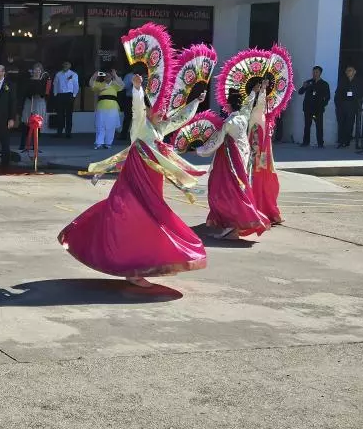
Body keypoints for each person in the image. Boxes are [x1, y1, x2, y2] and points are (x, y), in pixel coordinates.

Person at [57, 74, 207, 287]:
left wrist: (195, 103)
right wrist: (137, 89)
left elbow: (180, 119)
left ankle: (139, 265)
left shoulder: (160, 129)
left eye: (164, 111)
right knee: (127, 219)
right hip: (134, 181)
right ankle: (128, 266)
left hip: (152, 183)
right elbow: (138, 109)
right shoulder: (140, 125)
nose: (163, 114)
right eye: (159, 110)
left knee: (150, 222)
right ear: (150, 110)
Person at [196, 86, 270, 239]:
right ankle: (234, 224)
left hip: (230, 162)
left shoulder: (229, 122)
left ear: (228, 105)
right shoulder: (243, 117)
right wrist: (253, 93)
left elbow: (216, 142)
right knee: (239, 189)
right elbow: (248, 106)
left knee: (223, 191)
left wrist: (199, 150)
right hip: (242, 156)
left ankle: (231, 224)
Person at [249, 78, 284, 226]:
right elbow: (257, 107)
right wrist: (259, 91)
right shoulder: (250, 103)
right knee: (256, 175)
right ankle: (255, 209)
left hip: (264, 147)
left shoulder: (269, 104)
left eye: (265, 84)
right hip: (256, 144)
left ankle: (266, 209)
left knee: (266, 176)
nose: (264, 86)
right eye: (260, 84)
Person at [89, 69, 123, 150]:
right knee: (100, 125)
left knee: (110, 126)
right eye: (105, 75)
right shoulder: (100, 84)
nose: (107, 76)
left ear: (111, 77)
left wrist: (115, 75)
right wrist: (94, 75)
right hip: (101, 107)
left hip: (113, 107)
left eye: (109, 75)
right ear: (103, 77)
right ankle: (99, 142)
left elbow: (122, 85)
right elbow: (91, 84)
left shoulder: (115, 85)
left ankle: (108, 143)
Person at [298, 66, 330, 148]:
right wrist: (304, 86)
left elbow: (327, 97)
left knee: (319, 126)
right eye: (313, 72)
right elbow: (300, 92)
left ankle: (320, 143)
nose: (314, 74)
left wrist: (322, 105)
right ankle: (305, 142)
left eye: (316, 72)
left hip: (318, 109)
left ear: (320, 73)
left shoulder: (324, 84)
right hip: (308, 108)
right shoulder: (308, 82)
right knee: (307, 126)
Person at [20, 63, 50, 150]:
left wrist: (43, 93)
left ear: (41, 71)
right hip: (30, 102)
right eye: (35, 70)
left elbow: (47, 92)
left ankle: (35, 146)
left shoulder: (44, 81)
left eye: (39, 70)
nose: (37, 71)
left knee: (37, 123)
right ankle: (23, 144)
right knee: (26, 122)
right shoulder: (28, 80)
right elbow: (24, 91)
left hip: (39, 102)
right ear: (33, 71)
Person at [334, 65, 363, 149]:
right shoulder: (343, 81)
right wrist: (337, 104)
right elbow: (338, 93)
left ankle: (346, 141)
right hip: (342, 105)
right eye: (347, 70)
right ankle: (340, 141)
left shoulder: (358, 82)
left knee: (349, 124)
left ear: (354, 72)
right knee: (341, 124)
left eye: (350, 70)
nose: (348, 72)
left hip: (352, 105)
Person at [52, 61, 80, 138]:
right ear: (62, 65)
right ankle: (59, 133)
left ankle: (68, 133)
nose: (65, 65)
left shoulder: (73, 74)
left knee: (69, 115)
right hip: (60, 95)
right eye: (64, 64)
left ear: (70, 65)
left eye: (67, 64)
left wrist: (74, 95)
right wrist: (55, 94)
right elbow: (55, 84)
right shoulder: (58, 74)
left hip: (69, 95)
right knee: (60, 114)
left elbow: (76, 85)